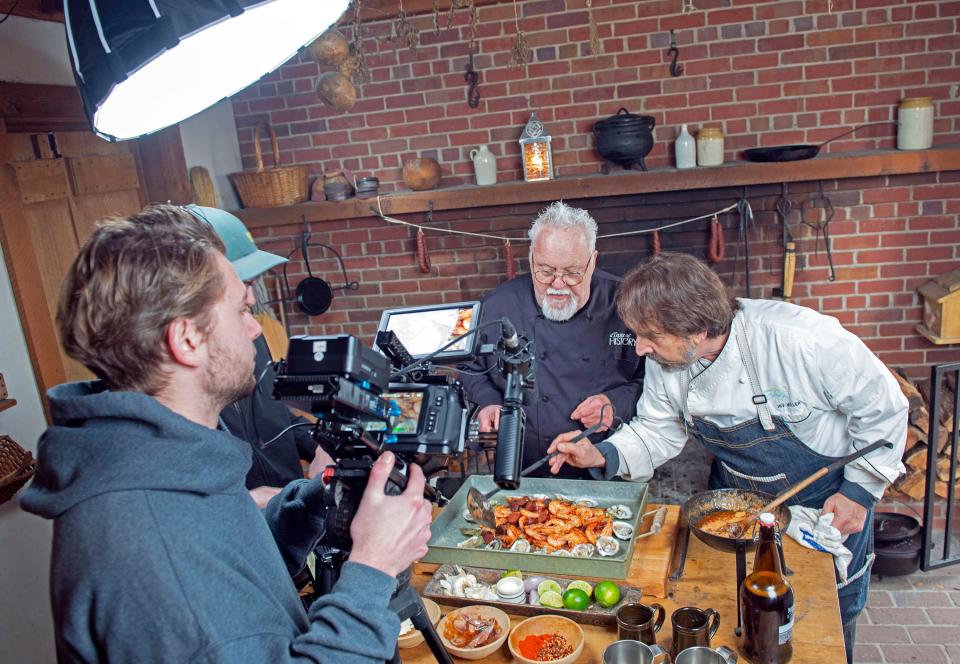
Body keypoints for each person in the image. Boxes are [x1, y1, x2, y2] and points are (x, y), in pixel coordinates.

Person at [20, 205, 433, 663]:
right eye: (241, 309)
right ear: (187, 340)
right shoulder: (150, 549)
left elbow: (228, 575)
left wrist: (310, 504)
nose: (255, 328)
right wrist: (373, 567)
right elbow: (194, 589)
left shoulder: (161, 455)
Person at [546, 252, 907, 663]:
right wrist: (599, 451)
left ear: (695, 330)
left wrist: (860, 492)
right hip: (732, 503)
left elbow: (885, 408)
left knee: (825, 620)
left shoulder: (801, 340)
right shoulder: (669, 361)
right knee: (737, 605)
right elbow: (656, 430)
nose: (641, 348)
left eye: (649, 335)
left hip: (826, 500)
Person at [460, 201, 645, 479]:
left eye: (572, 272)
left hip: (608, 460)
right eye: (545, 271)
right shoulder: (499, 305)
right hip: (525, 464)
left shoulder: (627, 304)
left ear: (593, 261)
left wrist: (616, 404)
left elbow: (657, 383)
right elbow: (469, 366)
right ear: (531, 259)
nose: (558, 284)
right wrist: (488, 401)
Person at [184, 205, 332, 508]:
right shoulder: (174, 389)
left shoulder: (250, 332)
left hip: (290, 516)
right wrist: (248, 503)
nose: (251, 299)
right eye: (245, 285)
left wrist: (324, 445)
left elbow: (275, 416)